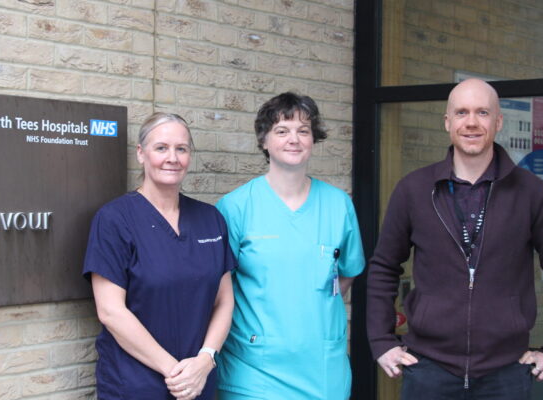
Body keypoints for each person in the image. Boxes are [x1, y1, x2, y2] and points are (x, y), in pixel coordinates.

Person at [367, 78, 543, 399]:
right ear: (447, 122)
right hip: (427, 369)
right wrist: (382, 341)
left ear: (498, 122)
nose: (471, 122)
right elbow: (384, 267)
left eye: (482, 112)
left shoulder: (531, 193)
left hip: (506, 372)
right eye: (461, 112)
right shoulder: (414, 189)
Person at [215, 92, 365, 399]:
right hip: (254, 371)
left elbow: (347, 273)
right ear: (264, 141)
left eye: (303, 131)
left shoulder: (338, 205)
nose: (293, 139)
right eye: (282, 131)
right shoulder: (235, 208)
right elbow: (220, 290)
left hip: (323, 371)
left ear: (313, 140)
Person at [83, 112, 235, 400]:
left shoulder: (210, 219)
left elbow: (224, 300)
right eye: (161, 148)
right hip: (135, 385)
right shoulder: (114, 219)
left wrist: (205, 360)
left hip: (199, 382)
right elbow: (111, 312)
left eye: (182, 149)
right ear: (141, 154)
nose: (173, 158)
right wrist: (177, 372)